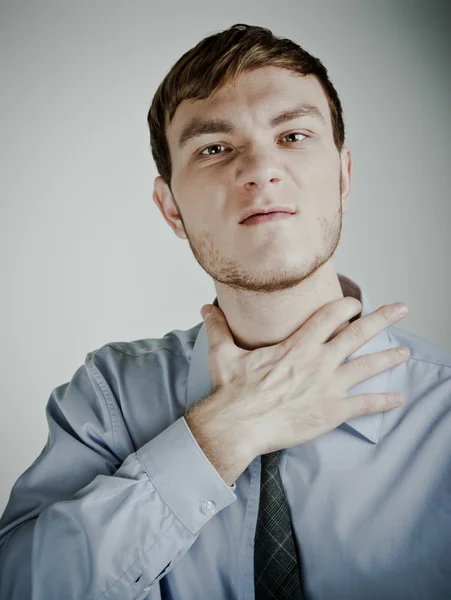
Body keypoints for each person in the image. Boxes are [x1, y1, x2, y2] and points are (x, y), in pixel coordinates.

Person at [1, 22, 450, 600]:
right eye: (215, 149)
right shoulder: (104, 399)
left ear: (342, 177)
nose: (260, 170)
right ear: (171, 210)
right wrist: (223, 433)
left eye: (292, 136)